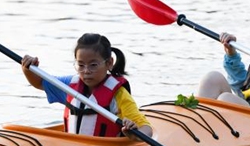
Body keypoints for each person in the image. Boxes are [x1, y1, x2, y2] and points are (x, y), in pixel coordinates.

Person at [21, 33, 153, 138]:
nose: (86, 71)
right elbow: (39, 82)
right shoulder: (69, 85)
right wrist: (28, 69)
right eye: (81, 65)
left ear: (109, 63)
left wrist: (134, 132)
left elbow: (146, 129)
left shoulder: (119, 95)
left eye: (93, 65)